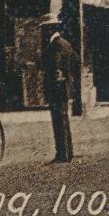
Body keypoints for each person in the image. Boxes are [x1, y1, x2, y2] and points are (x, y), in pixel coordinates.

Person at [40, 16, 78, 163]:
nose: (43, 32)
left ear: (50, 29)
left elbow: (56, 65)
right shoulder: (64, 43)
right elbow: (74, 60)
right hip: (63, 87)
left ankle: (63, 154)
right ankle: (66, 153)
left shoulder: (56, 45)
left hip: (58, 88)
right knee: (62, 119)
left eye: (44, 29)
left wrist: (59, 76)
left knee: (59, 120)